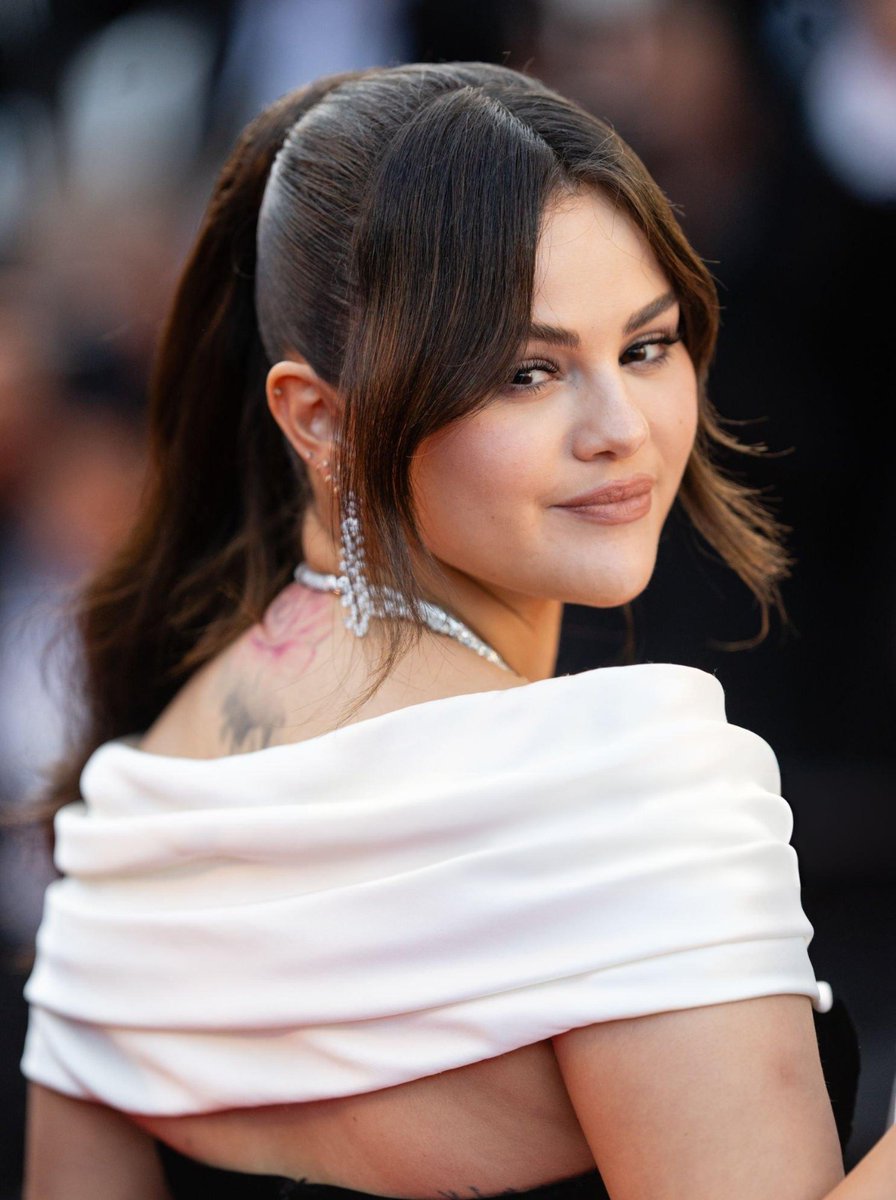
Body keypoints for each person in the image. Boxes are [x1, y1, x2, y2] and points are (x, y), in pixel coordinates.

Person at [17, 62, 895, 1200]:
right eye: (526, 372)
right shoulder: (625, 787)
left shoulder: (135, 801)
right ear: (315, 416)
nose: (619, 427)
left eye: (643, 344)